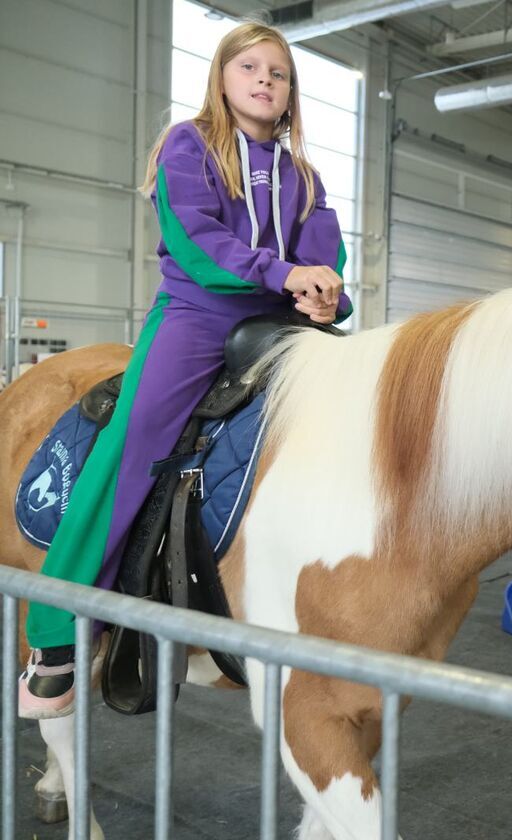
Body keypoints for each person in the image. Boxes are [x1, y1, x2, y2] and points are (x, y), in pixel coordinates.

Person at [18, 21, 352, 719]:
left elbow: (327, 255)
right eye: (250, 67)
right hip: (199, 317)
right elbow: (199, 243)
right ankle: (59, 629)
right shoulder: (188, 146)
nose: (265, 80)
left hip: (283, 319)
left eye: (279, 73)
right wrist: (285, 272)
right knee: (134, 441)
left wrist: (327, 294)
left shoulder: (306, 177)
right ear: (223, 79)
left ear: (290, 94)